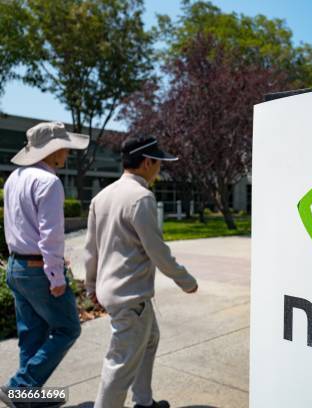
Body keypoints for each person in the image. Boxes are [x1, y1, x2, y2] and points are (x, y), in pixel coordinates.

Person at [84, 136, 198, 408]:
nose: (160, 170)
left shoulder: (102, 197)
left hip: (115, 292)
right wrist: (186, 281)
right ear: (147, 162)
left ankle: (144, 402)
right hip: (130, 296)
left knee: (150, 339)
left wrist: (90, 286)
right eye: (159, 163)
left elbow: (91, 250)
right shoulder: (141, 197)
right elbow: (156, 250)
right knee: (119, 365)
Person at [0, 122, 90, 408]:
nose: (66, 152)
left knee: (32, 334)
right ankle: (19, 387)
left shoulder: (14, 177)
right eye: (64, 147)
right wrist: (56, 276)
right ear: (52, 151)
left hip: (16, 267)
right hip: (39, 269)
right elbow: (51, 236)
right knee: (68, 329)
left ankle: (26, 399)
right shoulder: (49, 182)